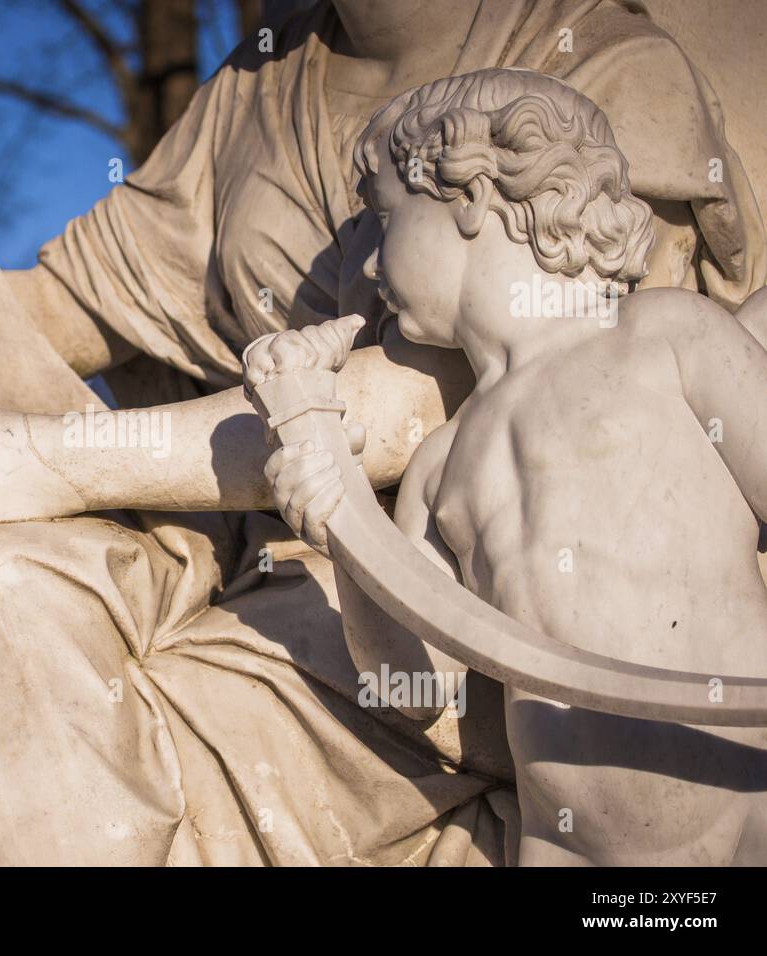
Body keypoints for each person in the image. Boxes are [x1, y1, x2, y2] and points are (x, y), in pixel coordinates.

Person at [0, 1, 767, 865]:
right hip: (284, 558)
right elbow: (61, 302)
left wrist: (43, 458)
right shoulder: (255, 85)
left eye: (384, 227)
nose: (362, 266)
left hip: (525, 659)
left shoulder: (585, 65)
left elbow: (444, 398)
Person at [263, 68, 767, 865]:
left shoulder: (664, 337)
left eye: (384, 220)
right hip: (570, 847)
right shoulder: (437, 467)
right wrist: (345, 535)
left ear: (469, 196)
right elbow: (418, 691)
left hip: (752, 795)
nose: (363, 269)